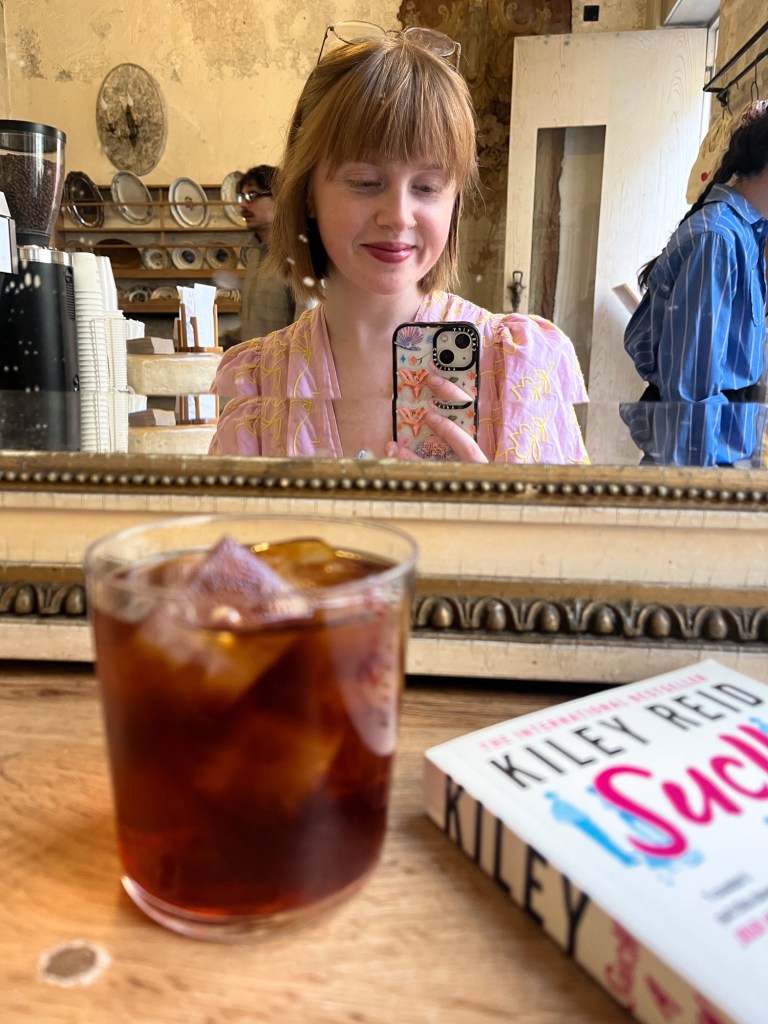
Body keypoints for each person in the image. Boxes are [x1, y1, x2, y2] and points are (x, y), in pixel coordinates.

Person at [209, 25, 588, 463]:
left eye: (427, 187)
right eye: (365, 182)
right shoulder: (259, 383)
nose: (398, 216)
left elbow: (575, 532)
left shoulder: (515, 365)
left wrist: (488, 510)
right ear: (308, 192)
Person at [622, 101, 768, 467]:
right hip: (696, 474)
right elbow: (692, 396)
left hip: (718, 462)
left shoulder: (747, 238)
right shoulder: (718, 240)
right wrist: (703, 501)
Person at [222, 165, 312, 350]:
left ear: (279, 198)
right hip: (254, 371)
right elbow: (256, 330)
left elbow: (307, 327)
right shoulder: (255, 256)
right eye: (242, 197)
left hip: (283, 374)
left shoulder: (299, 254)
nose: (243, 204)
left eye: (252, 196)